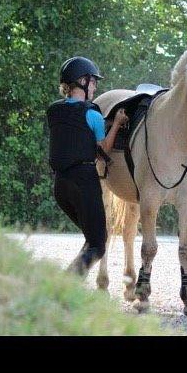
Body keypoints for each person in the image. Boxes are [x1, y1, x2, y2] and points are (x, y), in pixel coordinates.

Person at [46, 56, 128, 276]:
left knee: (91, 238)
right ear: (82, 81)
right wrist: (117, 124)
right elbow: (103, 151)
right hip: (84, 183)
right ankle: (64, 285)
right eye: (92, 81)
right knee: (98, 245)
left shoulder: (53, 112)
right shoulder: (92, 114)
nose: (95, 86)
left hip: (61, 187)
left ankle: (68, 283)